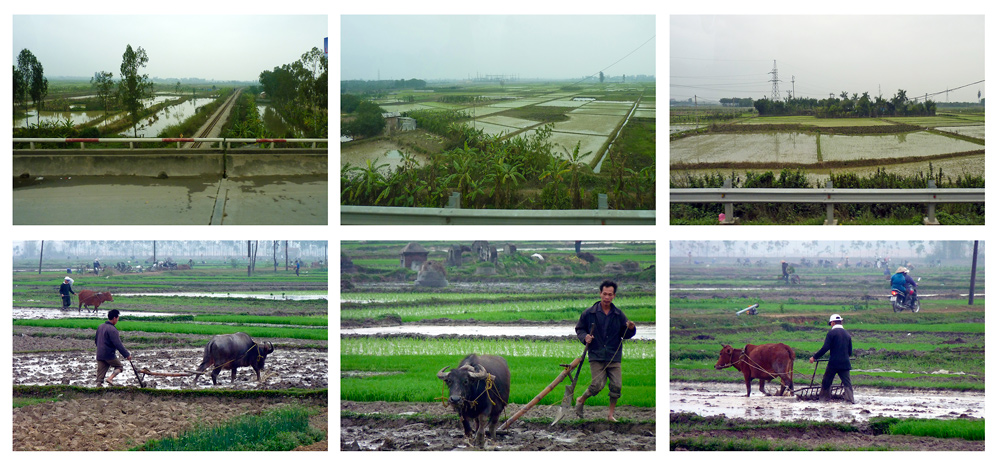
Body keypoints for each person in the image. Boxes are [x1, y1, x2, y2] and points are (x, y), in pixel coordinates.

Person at [574, 280, 636, 422]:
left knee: (616, 386)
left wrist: (631, 328)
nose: (607, 297)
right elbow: (579, 329)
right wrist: (585, 337)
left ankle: (610, 415)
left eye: (610, 294)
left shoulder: (618, 314)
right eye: (605, 294)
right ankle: (581, 399)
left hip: (614, 355)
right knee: (597, 385)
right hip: (596, 354)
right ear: (600, 294)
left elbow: (625, 334)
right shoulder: (589, 313)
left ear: (614, 296)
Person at [809, 314, 854, 403]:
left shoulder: (831, 333)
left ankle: (824, 400)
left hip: (833, 363)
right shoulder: (847, 334)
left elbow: (825, 348)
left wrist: (814, 357)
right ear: (841, 322)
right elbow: (850, 352)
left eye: (831, 324)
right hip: (845, 363)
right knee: (847, 383)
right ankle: (850, 400)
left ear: (832, 323)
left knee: (826, 381)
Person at [95, 309, 131, 386]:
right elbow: (118, 344)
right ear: (115, 318)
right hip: (109, 354)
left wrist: (100, 349)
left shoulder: (100, 327)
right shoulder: (112, 329)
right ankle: (110, 378)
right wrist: (127, 354)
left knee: (100, 377)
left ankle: (97, 391)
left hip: (100, 354)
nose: (117, 320)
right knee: (119, 366)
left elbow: (96, 340)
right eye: (118, 318)